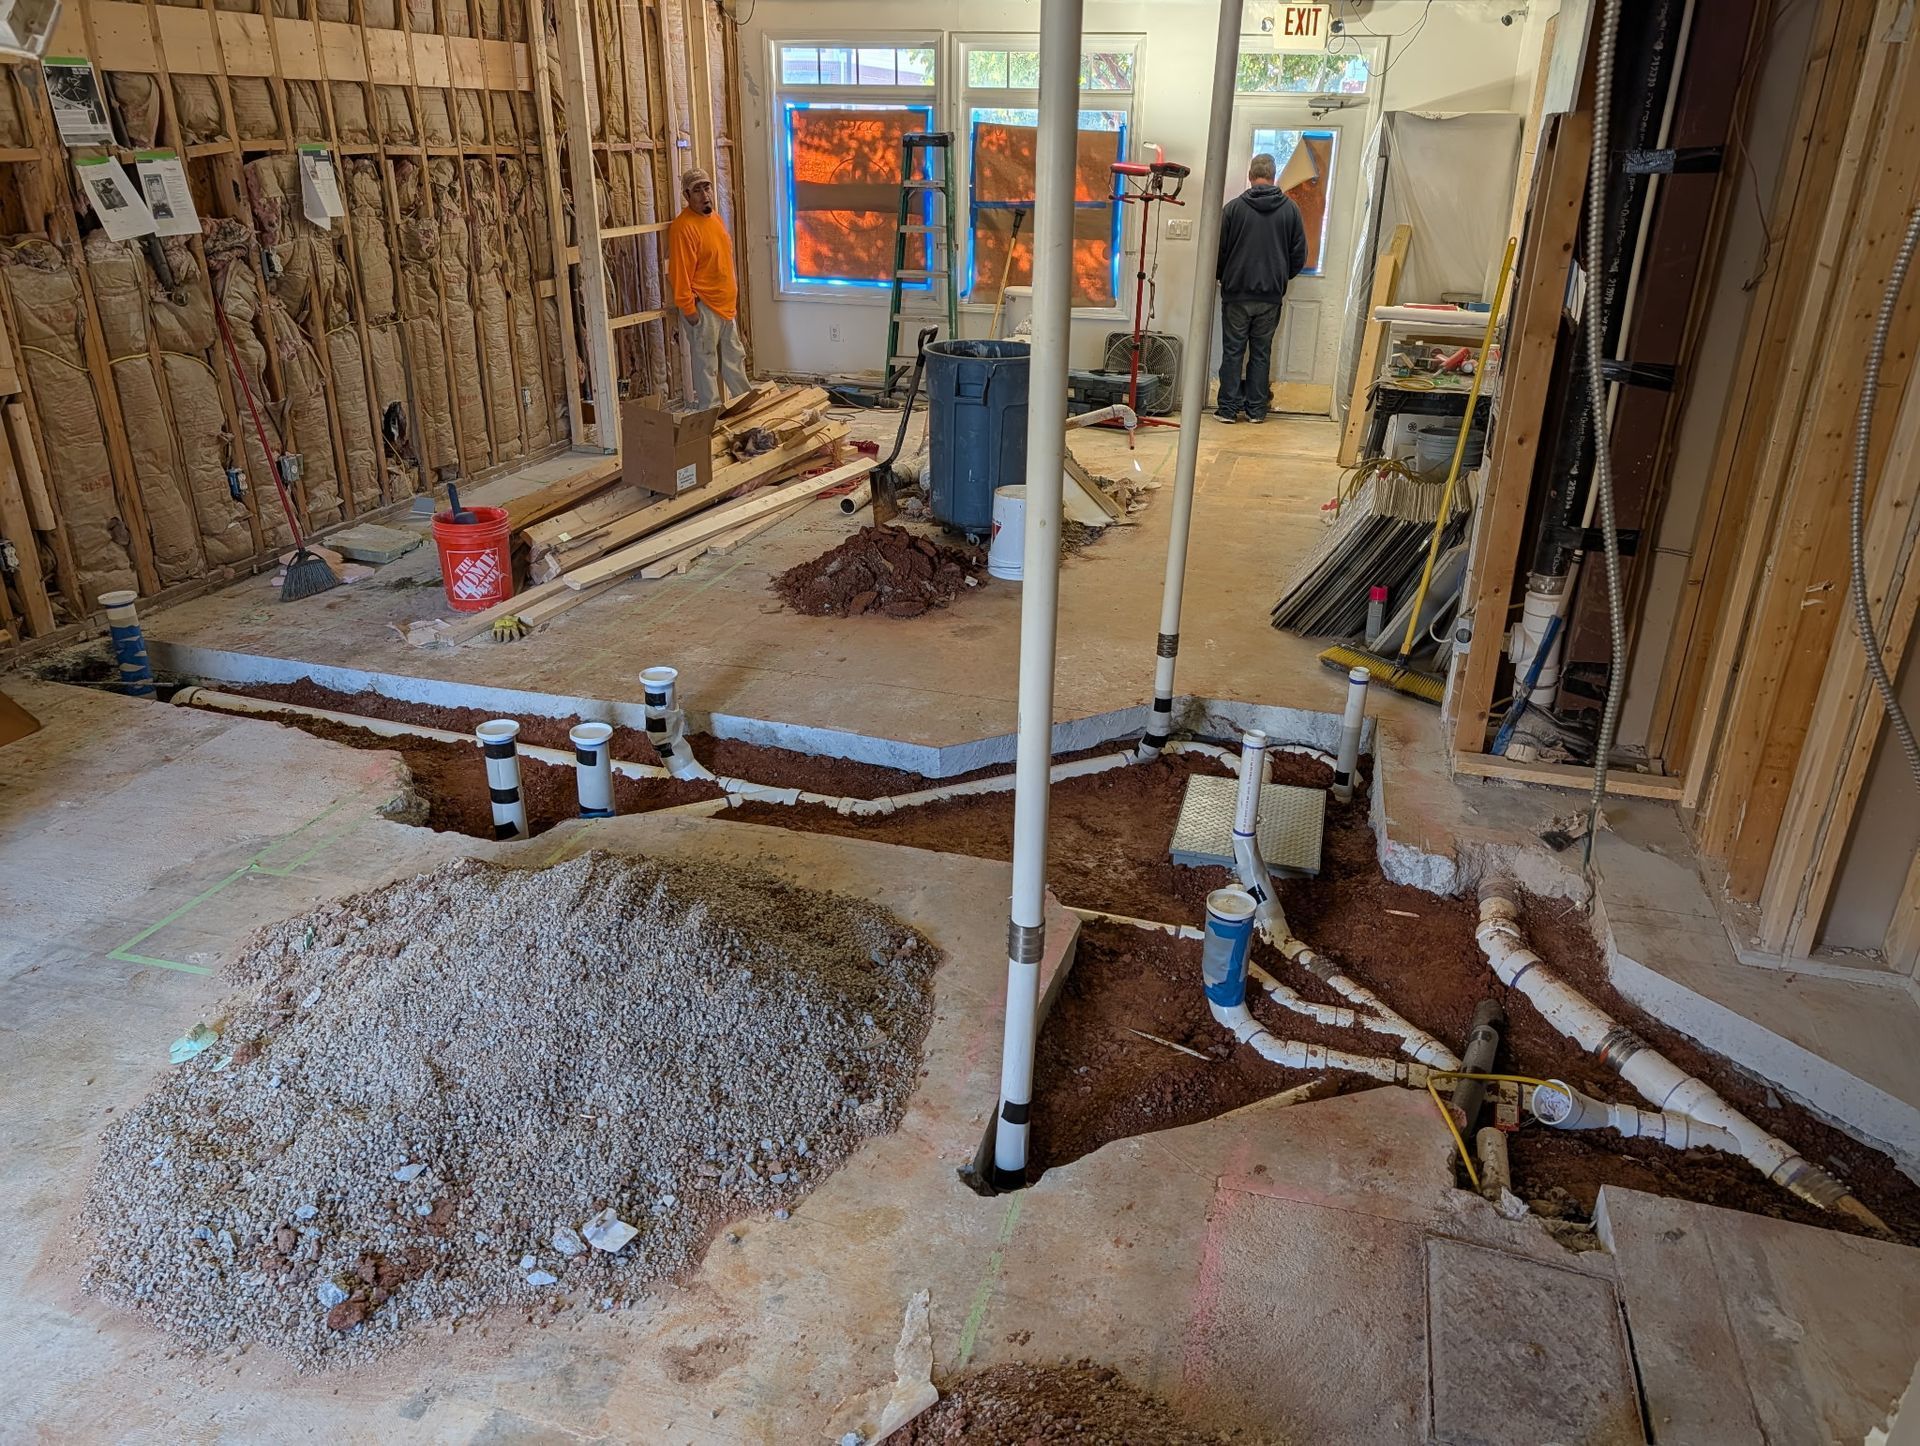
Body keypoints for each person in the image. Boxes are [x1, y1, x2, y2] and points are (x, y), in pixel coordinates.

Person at [1214, 153, 1308, 423]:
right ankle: (1256, 411)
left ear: (1250, 176)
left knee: (1233, 352)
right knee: (1261, 353)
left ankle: (1228, 410)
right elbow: (1299, 254)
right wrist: (1280, 277)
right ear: (1274, 175)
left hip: (1236, 294)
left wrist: (1225, 277)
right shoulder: (1291, 210)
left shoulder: (1232, 209)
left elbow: (1218, 252)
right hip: (1269, 296)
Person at [668, 167, 749, 409]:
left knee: (734, 359)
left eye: (707, 187)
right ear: (686, 195)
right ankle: (711, 418)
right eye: (697, 190)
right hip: (703, 308)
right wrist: (689, 309)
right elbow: (680, 272)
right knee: (707, 365)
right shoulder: (683, 228)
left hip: (725, 307)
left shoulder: (714, 218)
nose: (705, 194)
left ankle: (747, 409)